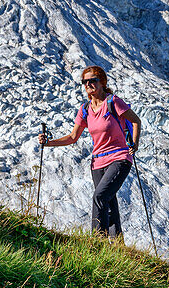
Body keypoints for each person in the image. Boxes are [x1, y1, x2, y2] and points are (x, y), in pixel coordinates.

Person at [38, 65, 142, 239]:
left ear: (102, 82)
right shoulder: (85, 109)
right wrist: (48, 143)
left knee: (99, 196)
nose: (88, 84)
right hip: (97, 162)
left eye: (92, 80)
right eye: (85, 82)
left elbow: (136, 121)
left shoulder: (113, 101)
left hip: (120, 157)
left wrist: (135, 144)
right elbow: (73, 137)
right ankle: (117, 245)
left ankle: (97, 240)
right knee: (108, 202)